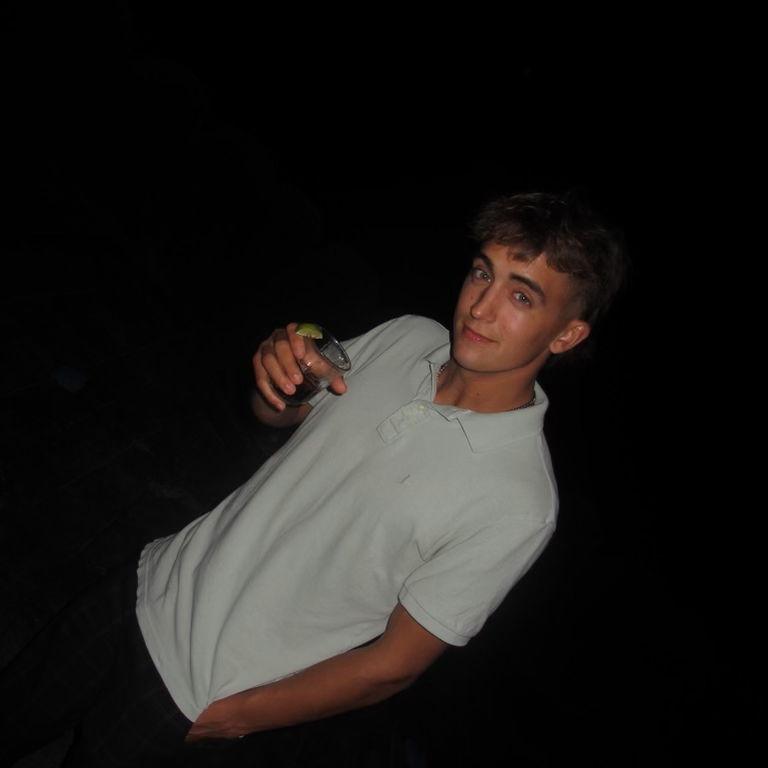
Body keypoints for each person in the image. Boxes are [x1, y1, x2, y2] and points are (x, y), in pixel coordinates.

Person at [0, 191, 627, 766]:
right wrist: (278, 373)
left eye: (522, 296)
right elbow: (279, 414)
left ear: (567, 333)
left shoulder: (519, 501)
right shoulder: (410, 336)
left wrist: (229, 718)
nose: (481, 307)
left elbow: (392, 666)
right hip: (149, 581)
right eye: (483, 272)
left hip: (193, 691)